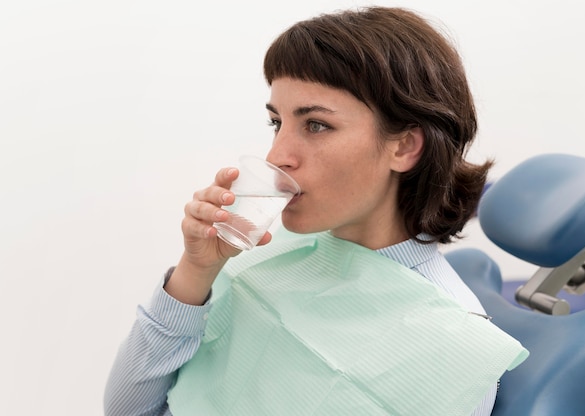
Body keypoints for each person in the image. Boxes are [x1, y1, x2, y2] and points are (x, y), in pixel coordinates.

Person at [104, 7, 527, 416]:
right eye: (277, 123)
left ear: (404, 146)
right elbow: (127, 411)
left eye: (316, 125)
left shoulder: (454, 351)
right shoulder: (266, 250)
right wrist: (195, 272)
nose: (277, 155)